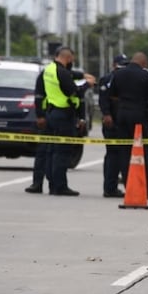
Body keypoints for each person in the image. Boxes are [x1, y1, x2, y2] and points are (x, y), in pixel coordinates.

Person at [105, 52, 148, 200]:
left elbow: (112, 96)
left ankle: (129, 185)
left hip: (122, 115)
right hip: (139, 116)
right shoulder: (146, 75)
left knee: (125, 152)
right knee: (147, 152)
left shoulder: (118, 74)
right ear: (144, 63)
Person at [43, 46, 89, 196]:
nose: (72, 63)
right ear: (68, 58)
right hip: (63, 114)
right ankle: (61, 186)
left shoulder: (49, 69)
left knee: (52, 151)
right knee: (62, 152)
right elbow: (74, 91)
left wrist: (82, 75)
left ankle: (52, 184)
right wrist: (88, 84)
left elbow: (68, 76)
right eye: (72, 60)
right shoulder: (62, 72)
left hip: (51, 112)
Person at [98, 54, 129, 197]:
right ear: (114, 65)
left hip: (122, 120)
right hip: (112, 122)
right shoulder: (107, 79)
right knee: (113, 155)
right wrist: (106, 114)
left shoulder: (125, 78)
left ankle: (115, 186)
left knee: (119, 155)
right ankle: (110, 187)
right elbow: (103, 99)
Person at [25, 68, 51, 194]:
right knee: (42, 151)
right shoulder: (46, 75)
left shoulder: (67, 74)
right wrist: (40, 115)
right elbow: (39, 96)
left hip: (60, 116)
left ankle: (55, 184)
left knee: (55, 152)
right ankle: (37, 183)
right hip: (47, 116)